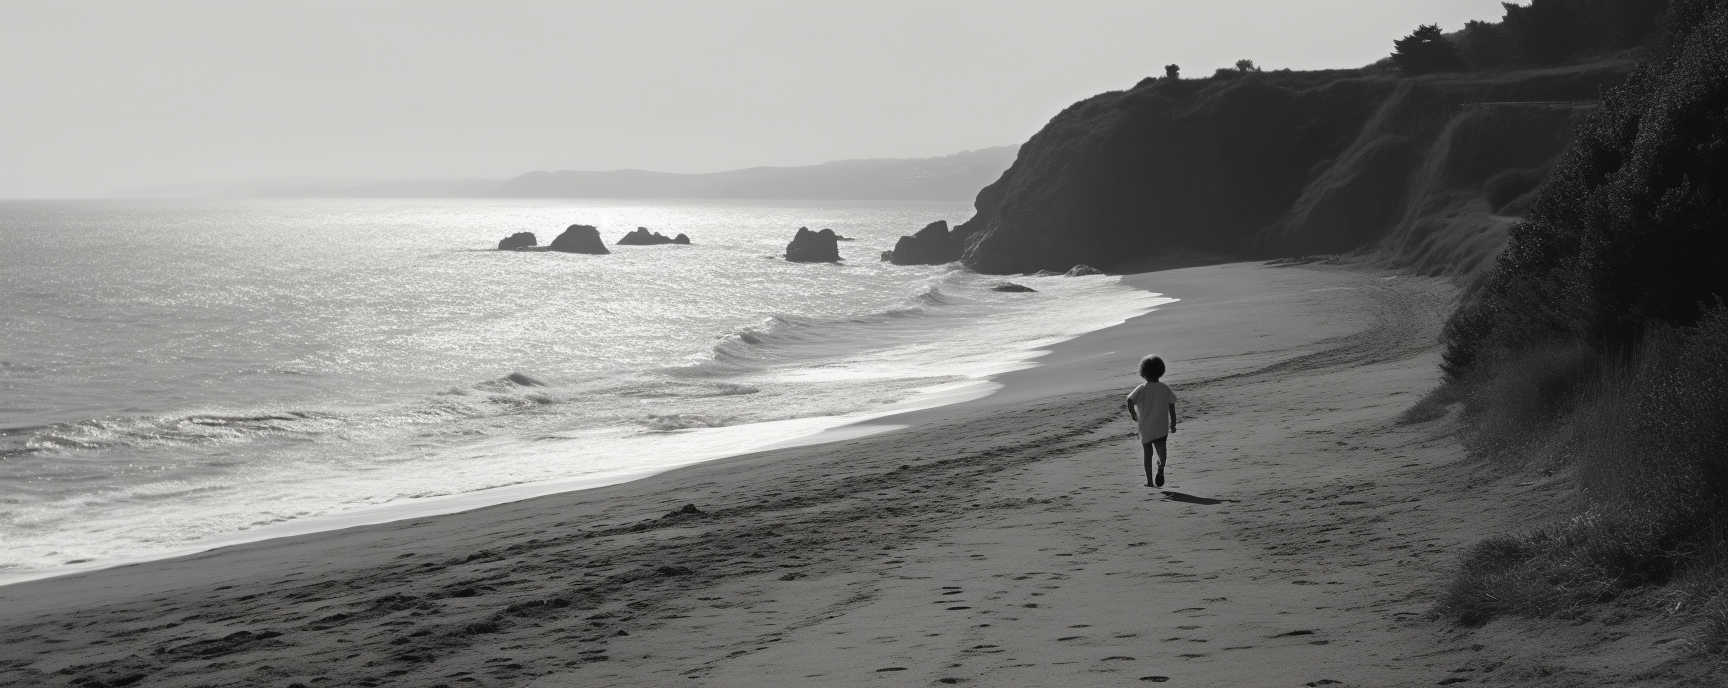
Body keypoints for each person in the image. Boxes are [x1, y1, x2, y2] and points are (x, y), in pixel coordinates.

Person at [1125, 355, 1178, 487]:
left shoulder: (1142, 389)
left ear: (1143, 372)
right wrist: (1173, 424)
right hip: (1161, 427)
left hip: (1146, 428)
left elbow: (1129, 400)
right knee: (1162, 452)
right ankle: (1161, 465)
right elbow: (1172, 406)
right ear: (1161, 371)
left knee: (1147, 455)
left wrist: (1133, 415)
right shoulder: (1164, 388)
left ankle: (1149, 482)